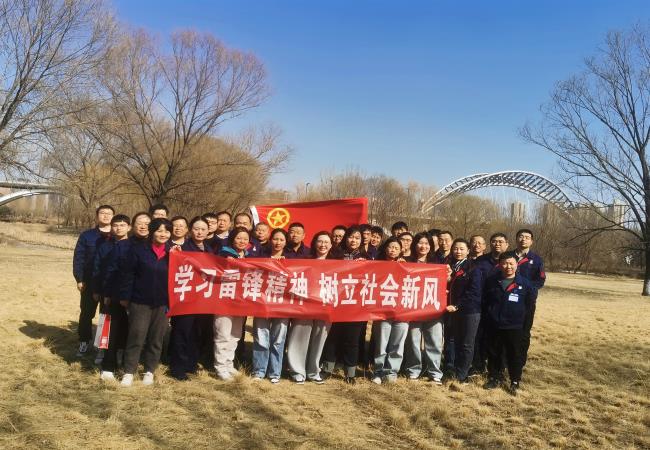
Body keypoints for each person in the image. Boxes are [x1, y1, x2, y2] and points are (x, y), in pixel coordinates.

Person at [118, 218, 174, 387]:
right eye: (159, 230)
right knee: (136, 335)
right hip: (139, 301)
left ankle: (149, 370)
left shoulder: (174, 253)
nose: (162, 234)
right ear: (151, 231)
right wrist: (125, 297)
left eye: (166, 231)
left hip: (163, 302)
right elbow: (128, 275)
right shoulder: (138, 250)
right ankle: (129, 371)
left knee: (156, 338)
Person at [99, 212, 150, 381]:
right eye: (139, 223)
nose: (143, 226)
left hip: (141, 298)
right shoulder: (123, 245)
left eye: (147, 223)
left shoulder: (154, 246)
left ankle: (126, 365)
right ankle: (107, 366)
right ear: (132, 226)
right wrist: (107, 293)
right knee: (113, 330)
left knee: (132, 332)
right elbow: (111, 271)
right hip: (118, 294)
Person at [483, 252, 537, 395]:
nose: (508, 267)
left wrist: (524, 326)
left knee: (514, 354)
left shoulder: (525, 284)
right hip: (494, 325)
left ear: (517, 264)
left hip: (515, 326)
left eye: (511, 263)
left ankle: (514, 380)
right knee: (494, 353)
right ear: (500, 265)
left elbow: (530, 306)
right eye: (505, 263)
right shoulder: (492, 281)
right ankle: (494, 377)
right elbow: (486, 301)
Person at [169, 216, 214, 381]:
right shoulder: (182, 249)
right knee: (182, 332)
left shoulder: (210, 250)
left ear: (208, 231)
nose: (200, 232)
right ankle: (177, 367)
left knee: (197, 333)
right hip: (185, 297)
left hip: (203, 300)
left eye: (203, 229)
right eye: (196, 229)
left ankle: (191, 364)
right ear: (190, 230)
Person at [285, 231, 334, 384]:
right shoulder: (304, 260)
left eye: (326, 242)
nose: (323, 245)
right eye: (320, 241)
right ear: (314, 243)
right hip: (304, 306)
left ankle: (313, 371)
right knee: (299, 336)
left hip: (325, 306)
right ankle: (297, 371)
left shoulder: (337, 264)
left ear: (331, 245)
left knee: (319, 338)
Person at [321, 226, 368, 383]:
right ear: (345, 238)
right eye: (350, 237)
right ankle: (327, 368)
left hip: (356, 306)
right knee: (332, 337)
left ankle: (350, 373)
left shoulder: (366, 257)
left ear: (361, 241)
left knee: (352, 340)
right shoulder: (334, 254)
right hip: (336, 303)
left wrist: (365, 266)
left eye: (357, 238)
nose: (353, 240)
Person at [402, 233, 444, 384]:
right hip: (413, 308)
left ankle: (434, 373)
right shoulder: (406, 261)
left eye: (427, 243)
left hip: (432, 308)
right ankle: (413, 370)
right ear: (415, 245)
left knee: (434, 341)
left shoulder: (437, 263)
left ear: (430, 247)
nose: (423, 246)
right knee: (413, 341)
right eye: (420, 243)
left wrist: (448, 276)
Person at [73, 204, 114, 356]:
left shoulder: (118, 235)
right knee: (86, 313)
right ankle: (84, 342)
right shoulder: (87, 235)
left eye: (109, 213)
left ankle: (102, 346)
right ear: (97, 216)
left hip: (109, 283)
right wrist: (79, 279)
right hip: (90, 281)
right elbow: (79, 258)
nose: (105, 216)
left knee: (106, 315)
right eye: (102, 213)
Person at [251, 228, 290, 383]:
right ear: (270, 240)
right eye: (275, 239)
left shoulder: (293, 259)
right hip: (262, 304)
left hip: (283, 305)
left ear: (286, 242)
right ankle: (259, 371)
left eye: (281, 240)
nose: (278, 242)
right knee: (261, 338)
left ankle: (274, 373)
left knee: (278, 340)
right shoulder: (260, 256)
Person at [92, 214, 130, 366]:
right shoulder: (105, 246)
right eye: (116, 225)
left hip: (126, 292)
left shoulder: (133, 246)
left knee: (124, 323)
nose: (119, 228)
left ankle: (120, 351)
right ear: (111, 227)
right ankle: (102, 349)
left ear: (129, 227)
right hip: (107, 291)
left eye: (122, 225)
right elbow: (97, 269)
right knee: (106, 321)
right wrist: (97, 290)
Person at [213, 227, 251, 380]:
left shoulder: (249, 256)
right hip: (224, 300)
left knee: (235, 335)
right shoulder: (223, 253)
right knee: (223, 334)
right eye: (239, 238)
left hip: (241, 302)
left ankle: (229, 364)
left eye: (245, 239)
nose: (242, 241)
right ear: (232, 239)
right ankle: (220, 367)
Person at [444, 238, 483, 383]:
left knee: (466, 343)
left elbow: (474, 292)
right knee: (453, 340)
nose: (458, 251)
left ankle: (462, 373)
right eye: (455, 248)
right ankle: (451, 368)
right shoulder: (449, 267)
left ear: (468, 251)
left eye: (461, 249)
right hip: (452, 311)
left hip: (469, 311)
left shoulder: (473, 268)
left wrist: (458, 305)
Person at [371, 237, 409, 384]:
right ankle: (378, 372)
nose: (392, 250)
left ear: (401, 251)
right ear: (385, 248)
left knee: (397, 345)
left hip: (402, 312)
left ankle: (391, 372)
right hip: (382, 311)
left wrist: (405, 268)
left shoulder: (406, 265)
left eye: (396, 248)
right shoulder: (376, 265)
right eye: (390, 247)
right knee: (381, 344)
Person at [472, 232, 509, 374]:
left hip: (502, 306)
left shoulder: (511, 260)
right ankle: (478, 365)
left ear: (507, 244)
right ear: (490, 244)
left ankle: (499, 368)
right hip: (482, 304)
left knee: (500, 339)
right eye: (494, 241)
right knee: (480, 337)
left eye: (500, 241)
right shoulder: (481, 261)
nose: (497, 244)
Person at [514, 228, 546, 367]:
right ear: (516, 239)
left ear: (531, 241)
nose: (523, 239)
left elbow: (540, 281)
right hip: (507, 302)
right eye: (521, 236)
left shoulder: (536, 260)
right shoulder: (509, 256)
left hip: (526, 303)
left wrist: (526, 291)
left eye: (527, 237)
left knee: (523, 333)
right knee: (505, 331)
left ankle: (519, 363)